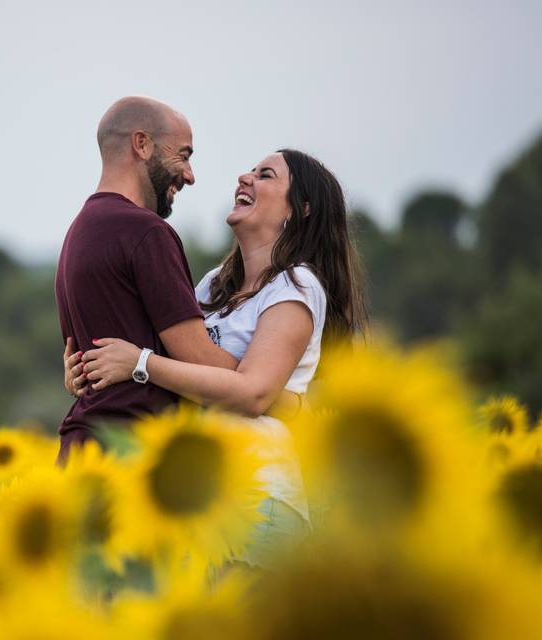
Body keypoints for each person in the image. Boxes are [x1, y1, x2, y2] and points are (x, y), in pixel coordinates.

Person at [69, 149, 366, 562]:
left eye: (265, 175)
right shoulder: (212, 288)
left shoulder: (296, 288)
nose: (244, 178)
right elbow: (179, 359)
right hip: (206, 501)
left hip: (260, 495)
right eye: (249, 170)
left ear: (300, 209)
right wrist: (92, 367)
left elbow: (253, 394)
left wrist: (139, 365)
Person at [55, 97, 299, 465]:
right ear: (142, 145)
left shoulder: (79, 231)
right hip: (130, 452)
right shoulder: (145, 231)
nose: (189, 175)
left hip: (81, 448)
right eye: (183, 155)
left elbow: (80, 359)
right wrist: (280, 396)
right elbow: (199, 358)